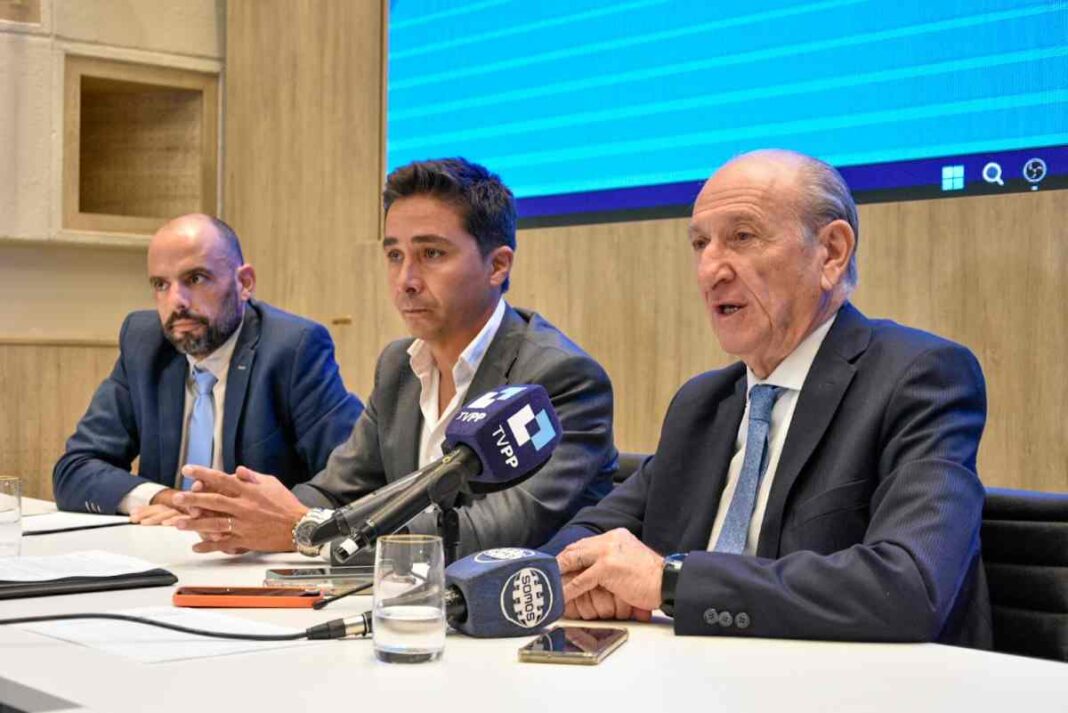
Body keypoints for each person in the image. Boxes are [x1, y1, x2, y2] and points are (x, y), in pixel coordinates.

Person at [544, 150, 991, 648]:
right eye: (699, 243)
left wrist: (671, 583)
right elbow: (589, 533)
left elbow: (909, 587)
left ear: (832, 252)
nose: (710, 269)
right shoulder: (702, 404)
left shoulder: (918, 378)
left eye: (742, 237)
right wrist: (582, 579)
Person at [172, 158, 618, 557]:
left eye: (431, 254)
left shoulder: (559, 378)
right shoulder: (399, 366)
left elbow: (496, 532)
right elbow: (337, 491)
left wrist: (303, 530)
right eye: (394, 255)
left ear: (497, 266)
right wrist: (242, 515)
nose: (405, 279)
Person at [53, 214, 364, 524]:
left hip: (255, 562)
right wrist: (170, 499)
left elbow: (353, 482)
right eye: (161, 285)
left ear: (245, 283)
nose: (177, 301)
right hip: (160, 550)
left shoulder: (293, 349)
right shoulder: (144, 344)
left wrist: (237, 516)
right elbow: (76, 469)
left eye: (195, 279)